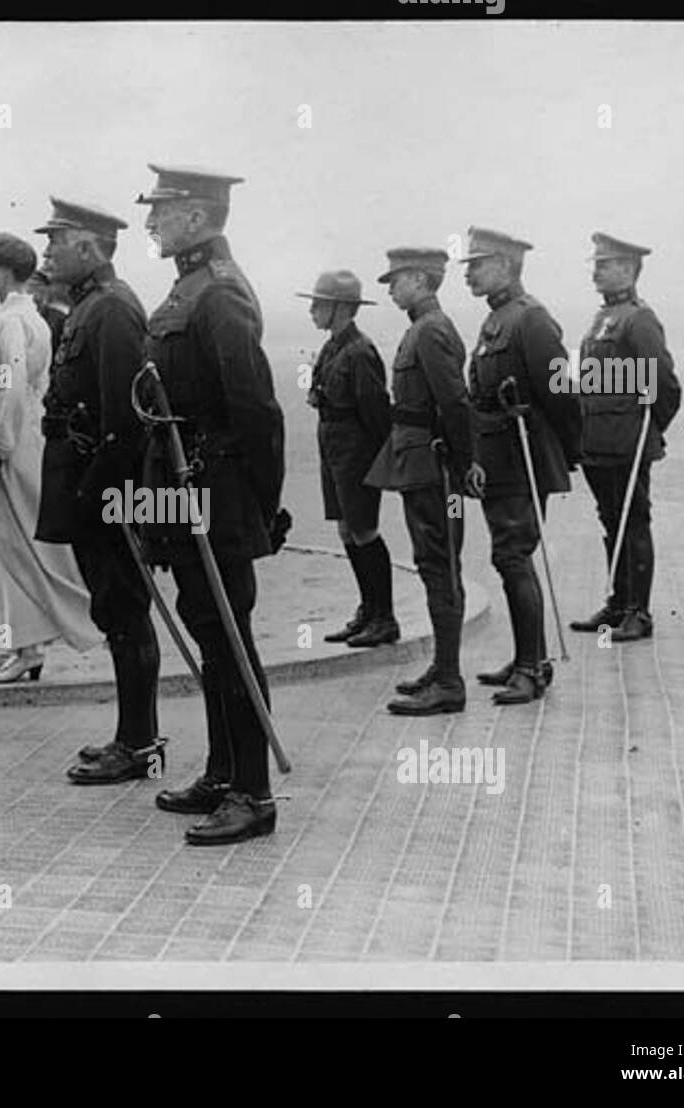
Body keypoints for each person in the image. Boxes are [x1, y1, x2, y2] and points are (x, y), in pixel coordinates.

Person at [137, 164, 286, 846]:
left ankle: (254, 793)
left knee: (230, 637)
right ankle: (224, 773)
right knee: (208, 633)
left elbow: (256, 409)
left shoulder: (221, 295)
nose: (150, 224)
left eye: (162, 212)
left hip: (216, 494)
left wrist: (263, 508)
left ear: (197, 218)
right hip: (180, 487)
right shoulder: (188, 288)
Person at [33, 198, 162, 784]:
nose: (47, 251)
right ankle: (131, 737)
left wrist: (98, 495)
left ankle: (139, 745)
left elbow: (125, 422)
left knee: (125, 610)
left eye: (56, 241)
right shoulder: (89, 306)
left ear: (88, 247)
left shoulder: (112, 310)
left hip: (104, 487)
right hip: (86, 480)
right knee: (114, 610)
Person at [0, 231, 101, 683]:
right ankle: (15, 640)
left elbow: (10, 386)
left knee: (14, 543)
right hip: (26, 433)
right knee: (17, 541)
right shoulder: (31, 317)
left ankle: (27, 646)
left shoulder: (10, 321)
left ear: (5, 269)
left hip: (11, 438)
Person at [460, 227, 582, 705]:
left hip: (525, 454)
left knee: (513, 556)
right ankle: (524, 656)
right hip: (500, 457)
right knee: (508, 557)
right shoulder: (497, 321)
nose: (468, 272)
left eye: (478, 263)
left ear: (507, 266)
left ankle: (533, 668)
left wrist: (567, 454)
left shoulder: (532, 321)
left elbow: (562, 395)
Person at [367, 247, 475, 715]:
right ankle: (442, 666)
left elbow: (453, 403)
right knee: (435, 562)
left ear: (419, 279)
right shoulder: (423, 327)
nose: (390, 288)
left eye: (396, 280)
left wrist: (466, 463)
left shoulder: (430, 330)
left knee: (440, 563)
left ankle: (449, 681)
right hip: (424, 466)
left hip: (436, 470)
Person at [570, 233, 681, 643]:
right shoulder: (602, 318)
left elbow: (665, 386)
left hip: (628, 443)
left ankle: (639, 612)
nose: (596, 270)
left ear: (630, 269)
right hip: (597, 441)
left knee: (633, 523)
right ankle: (617, 604)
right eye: (596, 263)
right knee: (611, 520)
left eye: (605, 263)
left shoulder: (639, 318)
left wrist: (646, 430)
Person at [296, 269, 397, 649]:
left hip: (356, 451)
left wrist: (376, 464)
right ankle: (368, 611)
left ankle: (385, 618)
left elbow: (375, 414)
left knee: (364, 530)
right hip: (334, 447)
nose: (312, 311)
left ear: (340, 308)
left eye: (318, 304)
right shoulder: (333, 346)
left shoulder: (360, 351)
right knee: (346, 529)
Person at [26, 268, 69, 356]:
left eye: (38, 289)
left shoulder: (59, 319)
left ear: (47, 292)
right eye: (30, 290)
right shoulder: (17, 318)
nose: (35, 296)